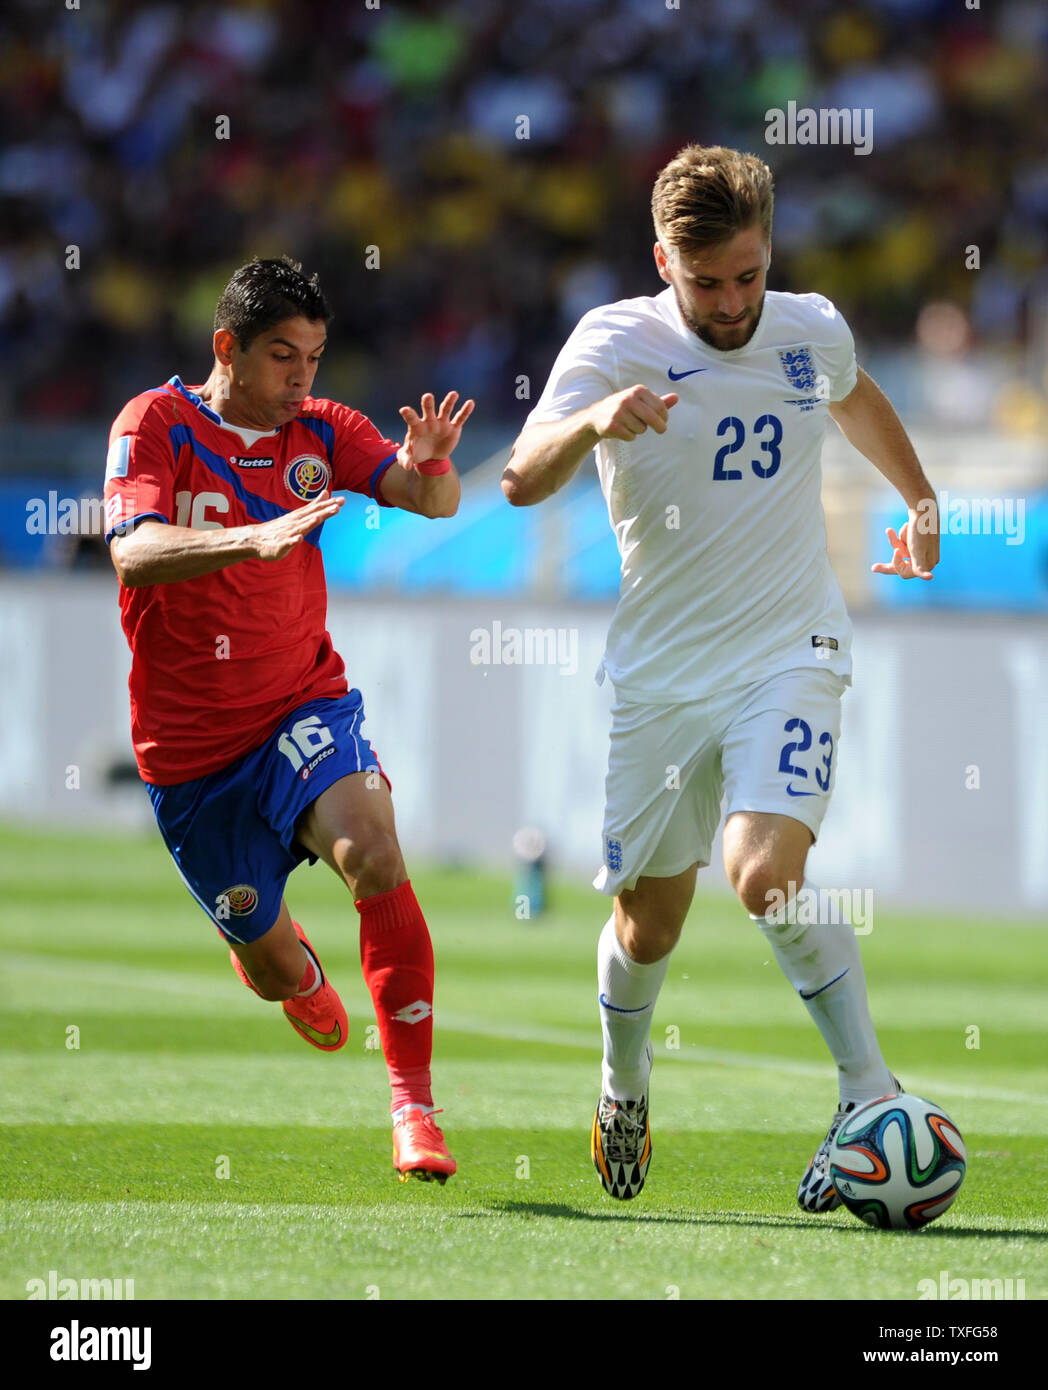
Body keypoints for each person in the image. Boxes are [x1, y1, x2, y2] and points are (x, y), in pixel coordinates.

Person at [502, 145, 939, 1207]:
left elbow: (855, 395)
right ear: (664, 261)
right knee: (650, 920)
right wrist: (594, 421)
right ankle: (624, 1082)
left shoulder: (807, 327)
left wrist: (919, 504)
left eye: (748, 274)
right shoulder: (613, 342)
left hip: (791, 651)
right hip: (660, 678)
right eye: (708, 282)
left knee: (762, 872)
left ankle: (864, 1093)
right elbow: (519, 478)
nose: (734, 301)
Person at [104, 256, 473, 1183]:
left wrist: (430, 472)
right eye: (281, 357)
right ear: (225, 347)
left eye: (312, 356)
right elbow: (135, 553)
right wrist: (250, 535)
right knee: (269, 964)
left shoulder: (319, 430)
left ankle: (414, 1110)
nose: (302, 378)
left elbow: (431, 501)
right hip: (190, 754)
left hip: (301, 704)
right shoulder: (156, 423)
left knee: (374, 850)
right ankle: (291, 970)